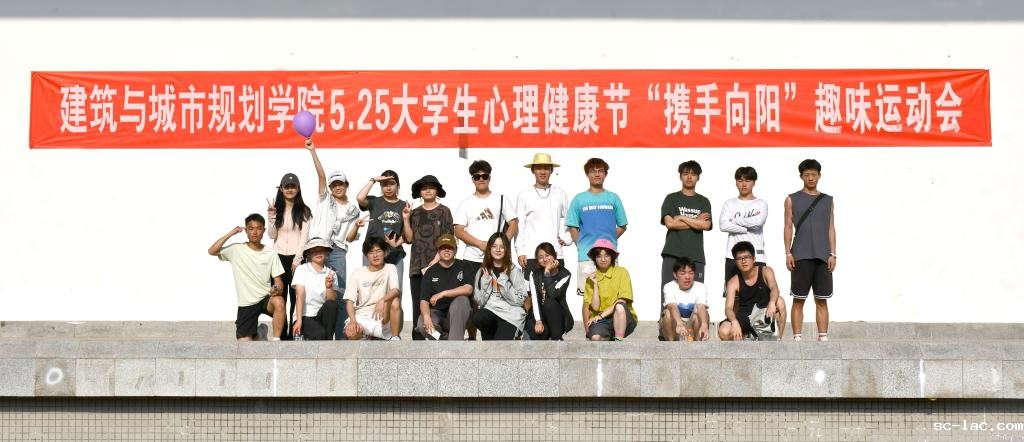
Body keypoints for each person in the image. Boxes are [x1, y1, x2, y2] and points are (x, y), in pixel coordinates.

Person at [302, 139, 360, 339]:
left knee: (340, 291)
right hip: (319, 247)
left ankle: (340, 336)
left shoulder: (353, 210)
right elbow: (321, 175)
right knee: (312, 288)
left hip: (338, 251)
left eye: (340, 184)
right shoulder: (325, 199)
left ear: (346, 185)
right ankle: (313, 331)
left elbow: (350, 237)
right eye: (334, 185)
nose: (337, 187)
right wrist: (313, 151)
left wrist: (357, 226)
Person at [719, 166, 786, 338]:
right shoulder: (729, 203)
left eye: (747, 180)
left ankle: (764, 332)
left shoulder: (760, 203)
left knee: (763, 297)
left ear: (754, 182)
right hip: (732, 256)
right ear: (736, 182)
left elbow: (758, 222)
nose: (744, 184)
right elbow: (723, 225)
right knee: (735, 297)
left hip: (757, 255)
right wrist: (746, 225)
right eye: (740, 180)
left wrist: (735, 221)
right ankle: (739, 330)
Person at [208, 214, 286, 341]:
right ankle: (259, 334)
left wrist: (276, 289)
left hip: (265, 298)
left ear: (264, 230)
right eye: (251, 228)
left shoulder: (271, 253)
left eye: (259, 228)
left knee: (279, 301)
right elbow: (212, 251)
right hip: (246, 303)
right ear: (246, 231)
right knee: (244, 344)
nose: (255, 232)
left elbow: (279, 282)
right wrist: (232, 233)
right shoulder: (236, 250)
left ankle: (276, 343)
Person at [784, 159, 837, 342]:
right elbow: (787, 227)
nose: (811, 178)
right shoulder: (791, 199)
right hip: (800, 254)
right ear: (801, 176)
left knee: (822, 300)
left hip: (823, 256)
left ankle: (823, 338)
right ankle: (797, 338)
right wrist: (788, 253)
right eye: (807, 175)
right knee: (798, 299)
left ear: (819, 175)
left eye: (814, 174)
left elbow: (831, 228)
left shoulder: (828, 200)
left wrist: (833, 253)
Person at [659, 160, 712, 340]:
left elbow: (706, 225)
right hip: (672, 253)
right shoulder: (671, 198)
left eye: (693, 174)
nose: (689, 177)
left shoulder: (703, 201)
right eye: (686, 173)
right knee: (668, 296)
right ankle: (666, 334)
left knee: (697, 298)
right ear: (680, 176)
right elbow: (670, 223)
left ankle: (694, 334)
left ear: (698, 177)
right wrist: (696, 221)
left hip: (695, 255)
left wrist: (681, 218)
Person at [355, 169, 407, 337]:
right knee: (370, 293)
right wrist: (373, 179)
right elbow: (359, 198)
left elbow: (408, 233)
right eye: (384, 184)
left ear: (398, 185)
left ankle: (394, 334)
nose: (388, 187)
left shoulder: (403, 205)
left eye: (391, 184)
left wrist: (399, 242)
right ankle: (371, 331)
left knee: (395, 292)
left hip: (394, 255)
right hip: (372, 254)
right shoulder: (375, 201)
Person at [403, 174, 454, 340]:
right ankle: (419, 341)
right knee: (418, 306)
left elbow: (448, 240)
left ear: (437, 190)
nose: (428, 190)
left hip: (440, 266)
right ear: (419, 192)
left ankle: (443, 339)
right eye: (424, 188)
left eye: (431, 187)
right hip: (417, 268)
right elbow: (409, 239)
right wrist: (406, 219)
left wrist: (435, 261)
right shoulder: (415, 213)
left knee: (439, 305)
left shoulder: (444, 211)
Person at [567, 158, 628, 296]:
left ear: (605, 174)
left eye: (600, 171)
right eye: (593, 171)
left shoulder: (613, 198)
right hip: (586, 255)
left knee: (610, 295)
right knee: (588, 297)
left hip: (609, 256)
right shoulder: (578, 199)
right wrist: (580, 245)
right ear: (587, 174)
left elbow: (622, 226)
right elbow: (572, 227)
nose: (597, 174)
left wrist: (608, 241)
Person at [454, 160, 519, 280]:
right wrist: (480, 244)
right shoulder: (465, 203)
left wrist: (501, 244)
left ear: (489, 178)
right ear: (472, 180)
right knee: (470, 291)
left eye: (484, 176)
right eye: (477, 177)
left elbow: (514, 223)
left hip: (496, 259)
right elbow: (458, 231)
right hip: (472, 258)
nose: (481, 179)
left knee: (498, 291)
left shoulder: (502, 199)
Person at [267, 173, 312, 339]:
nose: (290, 190)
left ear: (298, 189)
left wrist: (297, 259)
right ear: (281, 189)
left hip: (296, 259)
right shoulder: (276, 209)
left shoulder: (304, 211)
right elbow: (272, 235)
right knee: (279, 296)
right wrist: (271, 216)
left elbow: (304, 238)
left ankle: (294, 333)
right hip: (277, 258)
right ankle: (281, 334)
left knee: (296, 297)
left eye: (293, 187)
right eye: (287, 187)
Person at [515, 153, 572, 277]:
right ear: (533, 170)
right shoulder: (524, 194)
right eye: (539, 168)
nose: (542, 172)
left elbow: (571, 219)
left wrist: (567, 239)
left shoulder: (560, 193)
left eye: (546, 168)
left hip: (555, 252)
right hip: (531, 254)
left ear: (552, 170)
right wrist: (520, 251)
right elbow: (519, 225)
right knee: (531, 289)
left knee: (556, 288)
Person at [718, 241, 783, 341]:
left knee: (780, 302)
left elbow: (775, 289)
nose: (743, 261)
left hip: (764, 313)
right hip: (744, 317)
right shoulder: (733, 282)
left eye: (747, 257)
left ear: (754, 259)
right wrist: (734, 321)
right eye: (739, 258)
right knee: (724, 331)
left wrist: (772, 302)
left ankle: (778, 340)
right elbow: (728, 308)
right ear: (736, 262)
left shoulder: (766, 271)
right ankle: (748, 336)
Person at [470, 232, 528, 340]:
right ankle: (490, 341)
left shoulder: (513, 270)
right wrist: (485, 282)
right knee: (479, 317)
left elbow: (521, 300)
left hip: (510, 316)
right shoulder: (482, 271)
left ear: (506, 250)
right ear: (489, 249)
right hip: (491, 312)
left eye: (502, 247)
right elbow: (480, 302)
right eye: (494, 246)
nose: (498, 250)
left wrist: (504, 281)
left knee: (501, 346)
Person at [415, 234, 473, 340]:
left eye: (450, 247)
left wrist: (443, 293)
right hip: (437, 313)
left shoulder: (465, 266)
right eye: (443, 247)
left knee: (462, 300)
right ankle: (446, 338)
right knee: (422, 325)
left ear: (455, 250)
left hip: (459, 314)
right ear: (438, 251)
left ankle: (454, 344)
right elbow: (424, 300)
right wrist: (426, 317)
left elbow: (468, 289)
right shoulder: (430, 272)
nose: (446, 250)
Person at [343, 237, 402, 340]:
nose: (375, 255)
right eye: (371, 252)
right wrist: (352, 321)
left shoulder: (390, 268)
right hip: (362, 315)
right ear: (367, 255)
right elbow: (349, 301)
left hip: (382, 315)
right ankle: (366, 336)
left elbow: (396, 290)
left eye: (378, 251)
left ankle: (395, 337)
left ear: (385, 253)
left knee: (395, 300)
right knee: (351, 333)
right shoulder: (357, 272)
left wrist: (382, 300)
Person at [582, 239, 638, 341]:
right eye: (599, 256)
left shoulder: (622, 272)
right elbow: (595, 307)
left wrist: (601, 316)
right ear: (595, 258)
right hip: (602, 321)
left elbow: (622, 301)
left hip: (622, 318)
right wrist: (595, 284)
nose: (603, 259)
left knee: (619, 306)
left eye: (606, 256)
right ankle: (608, 336)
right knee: (595, 338)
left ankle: (618, 340)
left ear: (612, 257)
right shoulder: (591, 277)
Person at [290, 237, 340, 340]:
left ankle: (328, 340)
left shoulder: (331, 273)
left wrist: (329, 287)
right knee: (320, 334)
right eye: (314, 250)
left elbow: (332, 300)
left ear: (326, 252)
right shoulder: (301, 269)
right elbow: (300, 295)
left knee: (332, 305)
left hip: (321, 315)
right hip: (304, 316)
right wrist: (298, 320)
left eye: (321, 250)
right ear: (308, 254)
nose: (318, 253)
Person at [525, 243, 574, 340]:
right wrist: (538, 321)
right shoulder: (534, 274)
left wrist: (547, 273)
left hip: (557, 315)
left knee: (550, 303)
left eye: (547, 255)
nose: (544, 259)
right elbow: (535, 299)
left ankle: (557, 338)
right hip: (539, 314)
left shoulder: (564, 274)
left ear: (555, 255)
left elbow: (553, 295)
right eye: (540, 257)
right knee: (539, 334)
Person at [659, 258, 710, 342]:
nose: (687, 277)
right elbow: (672, 306)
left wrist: (704, 324)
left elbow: (701, 307)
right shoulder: (669, 286)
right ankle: (671, 345)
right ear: (675, 275)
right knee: (667, 313)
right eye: (682, 273)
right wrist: (679, 323)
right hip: (676, 325)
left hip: (692, 327)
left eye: (691, 273)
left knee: (704, 313)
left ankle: (698, 343)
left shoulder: (701, 287)